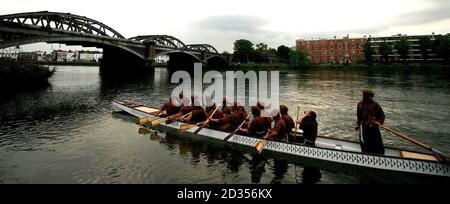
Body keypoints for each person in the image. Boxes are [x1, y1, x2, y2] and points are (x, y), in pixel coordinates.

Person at [355, 90, 385, 154]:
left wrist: (379, 122)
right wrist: (358, 125)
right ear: (364, 96)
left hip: (373, 128)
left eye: (371, 97)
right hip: (363, 128)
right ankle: (365, 155)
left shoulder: (376, 105)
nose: (370, 99)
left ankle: (380, 156)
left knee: (377, 144)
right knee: (364, 143)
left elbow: (382, 116)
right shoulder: (360, 104)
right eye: (369, 97)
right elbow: (359, 116)